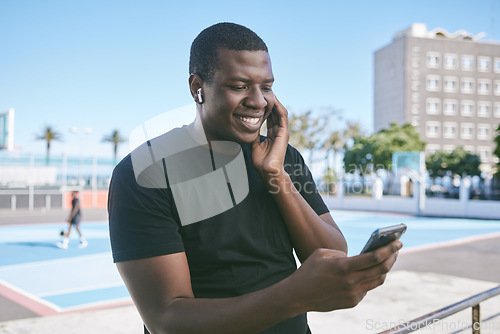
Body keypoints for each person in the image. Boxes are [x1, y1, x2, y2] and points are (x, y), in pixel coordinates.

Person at [108, 22, 402, 334]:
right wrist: (293, 296)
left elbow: (330, 253)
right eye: (239, 86)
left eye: (266, 87)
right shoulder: (144, 173)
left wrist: (275, 173)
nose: (258, 101)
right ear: (198, 87)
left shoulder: (283, 157)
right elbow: (165, 320)